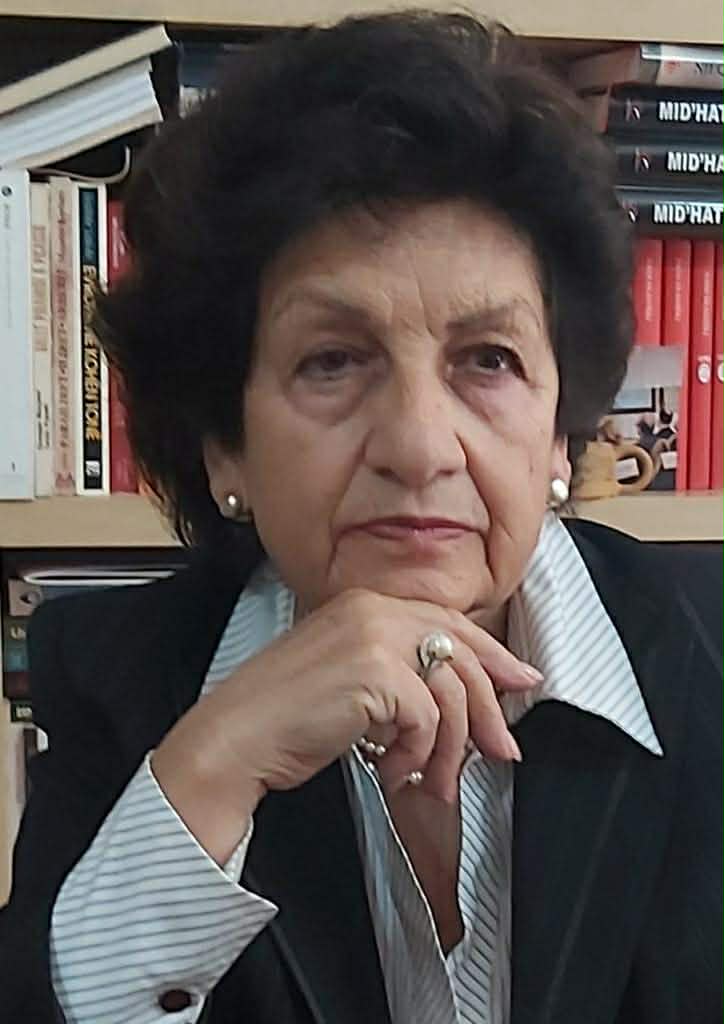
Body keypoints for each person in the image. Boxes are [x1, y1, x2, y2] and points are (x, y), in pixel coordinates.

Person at [1, 12, 721, 1024]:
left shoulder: (706, 654)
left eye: (488, 360)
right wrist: (214, 767)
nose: (419, 447)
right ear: (226, 445)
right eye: (332, 361)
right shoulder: (118, 682)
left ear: (561, 434)